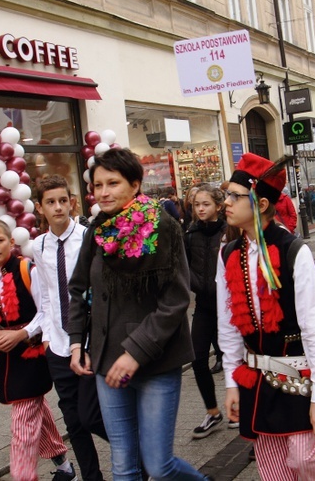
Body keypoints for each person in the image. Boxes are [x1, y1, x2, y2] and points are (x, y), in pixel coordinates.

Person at [65, 149, 208, 481]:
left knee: (158, 465)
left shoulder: (164, 227)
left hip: (155, 363)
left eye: (112, 183)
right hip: (105, 362)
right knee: (124, 466)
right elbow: (78, 289)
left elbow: (174, 301)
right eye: (98, 185)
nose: (103, 192)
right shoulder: (97, 231)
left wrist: (135, 352)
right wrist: (76, 343)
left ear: (135, 184)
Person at [217, 153, 315, 481]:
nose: (225, 202)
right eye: (226, 193)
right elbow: (227, 324)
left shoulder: (292, 250)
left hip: (297, 374)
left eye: (234, 195)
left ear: (262, 202)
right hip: (254, 376)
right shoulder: (227, 253)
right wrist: (230, 381)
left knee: (303, 457)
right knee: (272, 468)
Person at [0, 219, 75, 481]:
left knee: (22, 421)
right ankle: (64, 467)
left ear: (11, 242)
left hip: (32, 353)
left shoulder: (26, 269)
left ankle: (23, 476)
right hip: (8, 356)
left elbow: (46, 310)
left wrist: (21, 333)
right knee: (35, 411)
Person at [32, 175, 108, 481]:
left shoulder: (88, 237)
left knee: (91, 415)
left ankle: (136, 454)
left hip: (88, 341)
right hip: (59, 345)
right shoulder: (39, 246)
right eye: (50, 202)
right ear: (40, 208)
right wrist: (49, 338)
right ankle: (92, 477)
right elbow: (49, 295)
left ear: (72, 202)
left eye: (63, 200)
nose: (58, 207)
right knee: (74, 422)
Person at [184, 184, 232, 439]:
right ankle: (213, 411)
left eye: (205, 204)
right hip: (203, 306)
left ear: (218, 206)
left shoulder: (228, 231)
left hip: (229, 306)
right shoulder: (190, 233)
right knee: (198, 357)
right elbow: (182, 263)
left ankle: (240, 409)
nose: (200, 209)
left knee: (236, 358)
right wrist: (194, 282)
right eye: (196, 205)